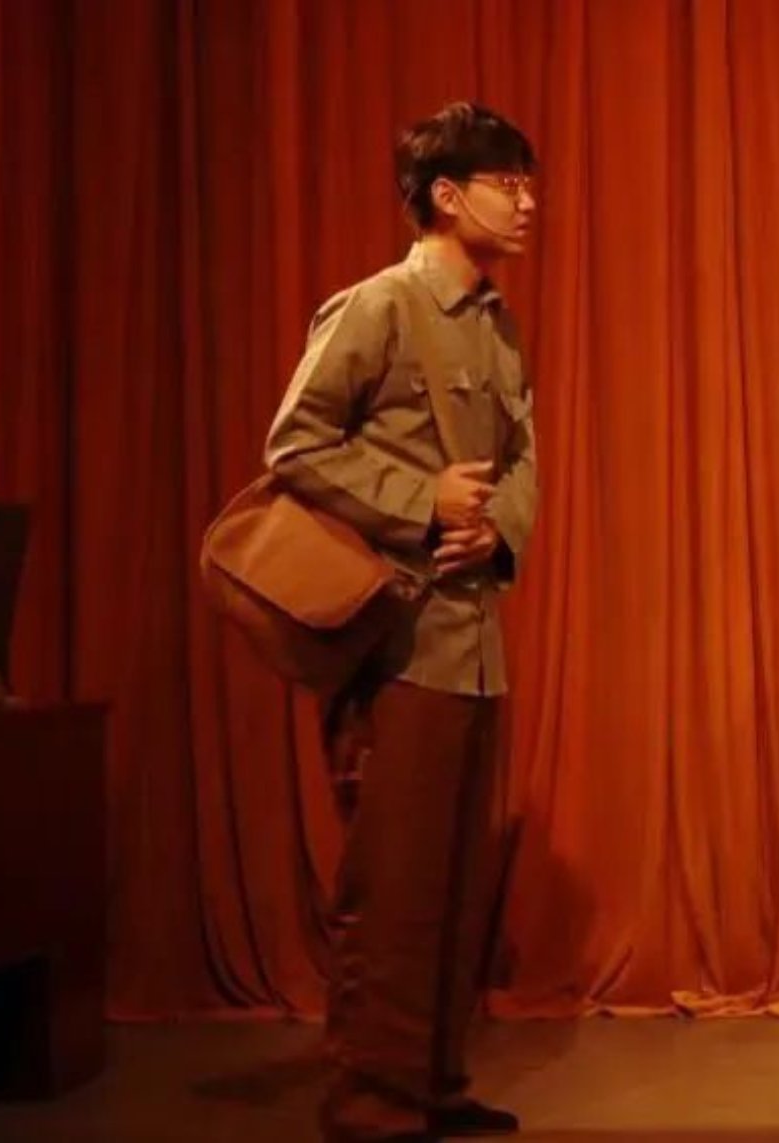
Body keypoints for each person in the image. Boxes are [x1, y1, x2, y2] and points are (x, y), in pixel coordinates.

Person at [264, 101, 539, 1142]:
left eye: (528, 183)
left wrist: (497, 528)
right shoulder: (377, 306)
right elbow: (295, 446)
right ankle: (373, 1104)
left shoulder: (496, 322)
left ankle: (434, 1084)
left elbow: (522, 455)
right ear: (446, 195)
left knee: (454, 885)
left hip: (473, 643)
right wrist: (421, 502)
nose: (528, 203)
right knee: (392, 889)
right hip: (397, 646)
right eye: (508, 184)